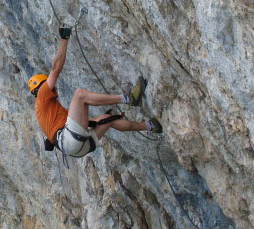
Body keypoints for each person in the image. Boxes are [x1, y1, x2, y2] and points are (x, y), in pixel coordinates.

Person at [29, 25, 162, 166]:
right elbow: (56, 68)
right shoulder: (42, 94)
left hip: (77, 150)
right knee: (80, 95)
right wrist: (64, 39)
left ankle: (151, 126)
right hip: (70, 140)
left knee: (108, 120)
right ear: (41, 85)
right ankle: (129, 98)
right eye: (50, 85)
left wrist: (99, 119)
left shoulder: (47, 113)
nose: (54, 88)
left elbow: (82, 123)